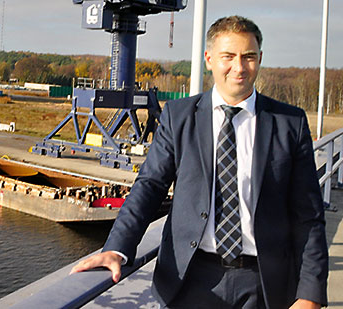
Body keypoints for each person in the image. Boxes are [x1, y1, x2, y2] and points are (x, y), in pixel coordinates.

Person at [71, 16, 328, 309]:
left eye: (249, 57)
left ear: (260, 59)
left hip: (265, 284)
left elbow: (308, 215)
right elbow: (150, 186)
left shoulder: (288, 123)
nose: (239, 67)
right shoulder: (179, 117)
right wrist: (117, 248)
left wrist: (310, 293)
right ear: (209, 59)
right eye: (228, 56)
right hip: (189, 278)